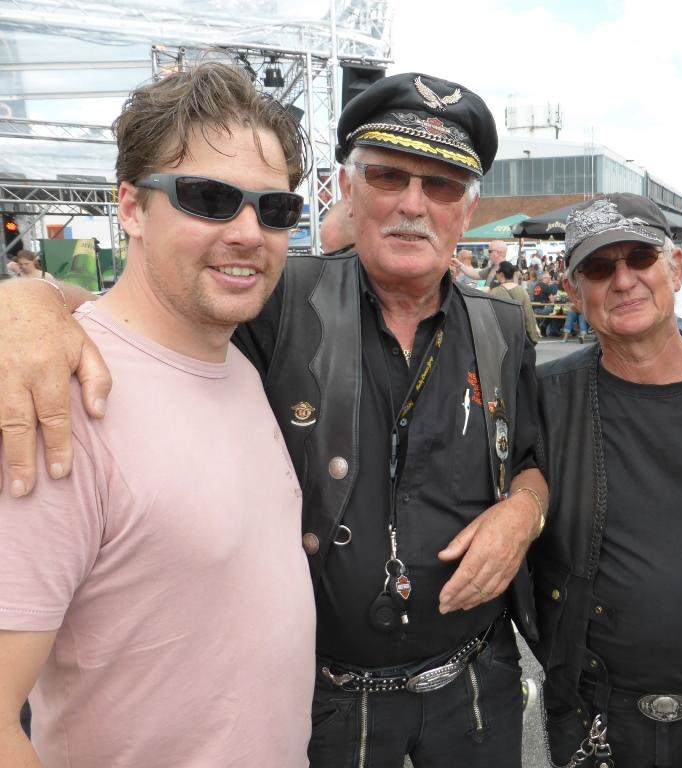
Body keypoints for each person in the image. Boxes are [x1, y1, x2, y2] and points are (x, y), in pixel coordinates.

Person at [0, 71, 548, 768]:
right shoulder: (278, 299)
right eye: (387, 176)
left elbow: (531, 458)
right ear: (347, 191)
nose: (413, 204)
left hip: (470, 684)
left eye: (441, 186)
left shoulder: (503, 328)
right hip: (332, 701)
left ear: (466, 212)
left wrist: (524, 511)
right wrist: (28, 304)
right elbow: (152, 308)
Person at [0, 62, 317, 768]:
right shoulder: (58, 397)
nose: (248, 231)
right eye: (209, 198)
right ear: (132, 208)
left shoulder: (242, 367)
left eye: (274, 209)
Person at [532, 193, 682, 768]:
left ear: (675, 269)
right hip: (595, 709)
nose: (623, 281)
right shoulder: (544, 397)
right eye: (599, 268)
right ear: (573, 292)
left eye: (640, 259)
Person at [490, 260, 540, 345]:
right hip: (519, 335)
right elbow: (528, 314)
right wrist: (533, 337)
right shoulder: (522, 291)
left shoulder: (494, 292)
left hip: (501, 336)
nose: (495, 274)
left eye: (496, 272)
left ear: (501, 274)